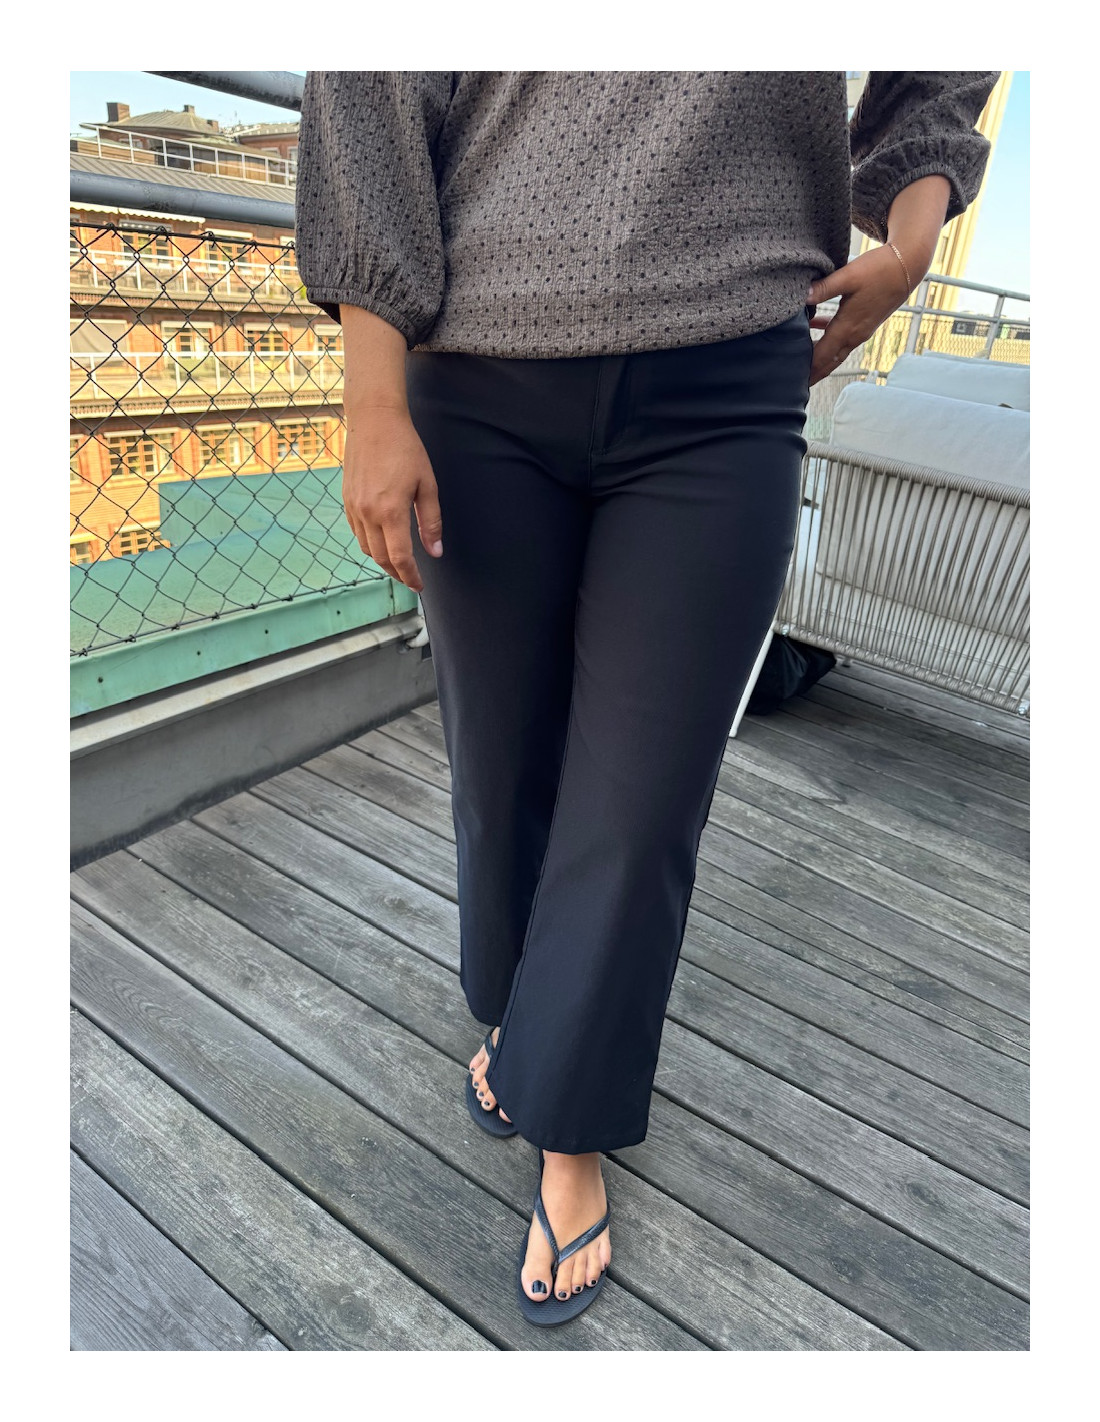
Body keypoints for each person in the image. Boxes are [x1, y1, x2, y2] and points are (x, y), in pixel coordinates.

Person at [294, 69, 999, 1326]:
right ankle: (515, 1014)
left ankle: (569, 1130)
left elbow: (942, 58)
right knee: (500, 762)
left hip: (724, 379)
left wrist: (910, 237)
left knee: (640, 800)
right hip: (477, 369)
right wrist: (371, 397)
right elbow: (368, 84)